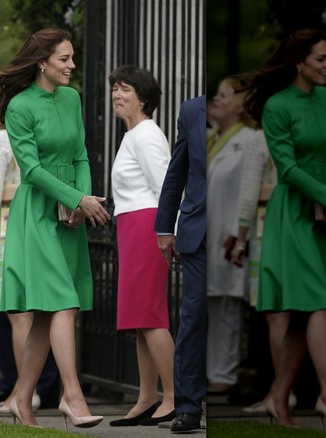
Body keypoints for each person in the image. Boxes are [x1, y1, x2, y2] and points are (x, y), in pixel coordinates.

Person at [0, 27, 110, 429]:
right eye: (65, 59)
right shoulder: (20, 107)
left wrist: (80, 200)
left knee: (43, 315)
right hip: (35, 215)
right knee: (64, 302)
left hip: (68, 214)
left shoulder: (71, 98)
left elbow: (81, 155)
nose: (72, 65)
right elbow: (31, 170)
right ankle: (72, 396)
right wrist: (74, 199)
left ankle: (22, 398)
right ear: (42, 63)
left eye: (72, 58)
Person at [240, 27, 326, 428]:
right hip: (292, 214)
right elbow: (289, 170)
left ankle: (279, 399)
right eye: (321, 59)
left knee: (299, 316)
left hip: (325, 213)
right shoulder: (277, 106)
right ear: (299, 62)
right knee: (320, 302)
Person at [0, 126, 59, 414]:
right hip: (38, 226)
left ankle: (24, 392)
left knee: (18, 316)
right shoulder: (42, 132)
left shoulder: (2, 138)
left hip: (9, 230)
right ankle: (24, 391)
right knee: (32, 314)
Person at [106, 65, 175, 427]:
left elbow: (166, 186)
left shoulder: (147, 134)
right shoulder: (133, 134)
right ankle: (147, 397)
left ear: (144, 98)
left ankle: (174, 396)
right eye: (115, 89)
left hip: (147, 226)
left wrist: (169, 231)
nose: (117, 95)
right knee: (139, 318)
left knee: (150, 314)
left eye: (126, 90)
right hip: (131, 225)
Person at [226, 127, 294, 415]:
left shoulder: (259, 137)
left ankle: (281, 393)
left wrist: (240, 241)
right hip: (295, 227)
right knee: (290, 313)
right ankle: (282, 391)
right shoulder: (295, 133)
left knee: (274, 314)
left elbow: (248, 194)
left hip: (265, 228)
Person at [154, 99, 208, 433]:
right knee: (194, 314)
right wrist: (164, 226)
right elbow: (177, 171)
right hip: (198, 230)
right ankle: (188, 405)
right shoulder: (191, 111)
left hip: (238, 229)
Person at [205, 75, 255, 396]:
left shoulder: (248, 139)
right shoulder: (213, 139)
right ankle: (213, 371)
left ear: (240, 105)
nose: (217, 100)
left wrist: (239, 234)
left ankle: (225, 373)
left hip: (230, 235)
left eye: (224, 96)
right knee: (212, 305)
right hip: (209, 236)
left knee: (228, 305)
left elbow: (248, 191)